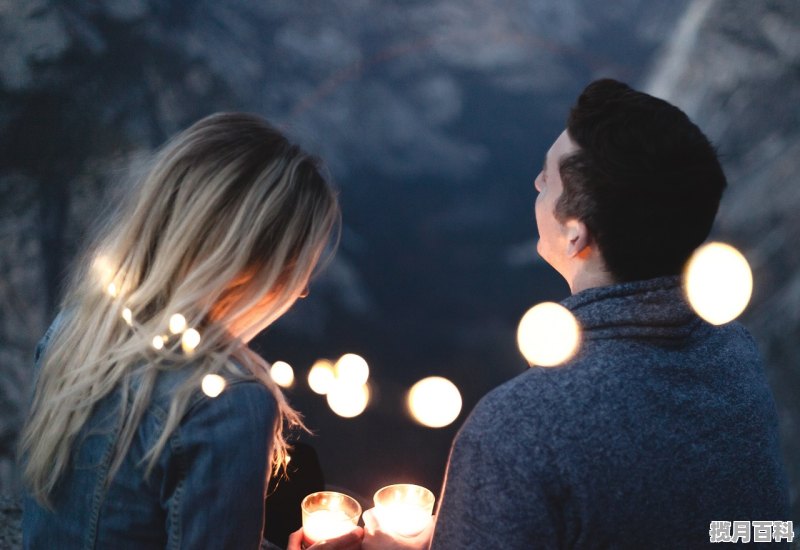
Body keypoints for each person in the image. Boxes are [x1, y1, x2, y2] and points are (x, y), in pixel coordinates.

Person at [378, 79, 790, 549]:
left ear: (576, 236)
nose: (535, 184)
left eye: (546, 178)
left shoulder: (515, 430)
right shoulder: (735, 355)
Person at [19, 113, 362, 550]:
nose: (302, 291)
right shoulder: (228, 400)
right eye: (295, 268)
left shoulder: (73, 332)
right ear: (246, 262)